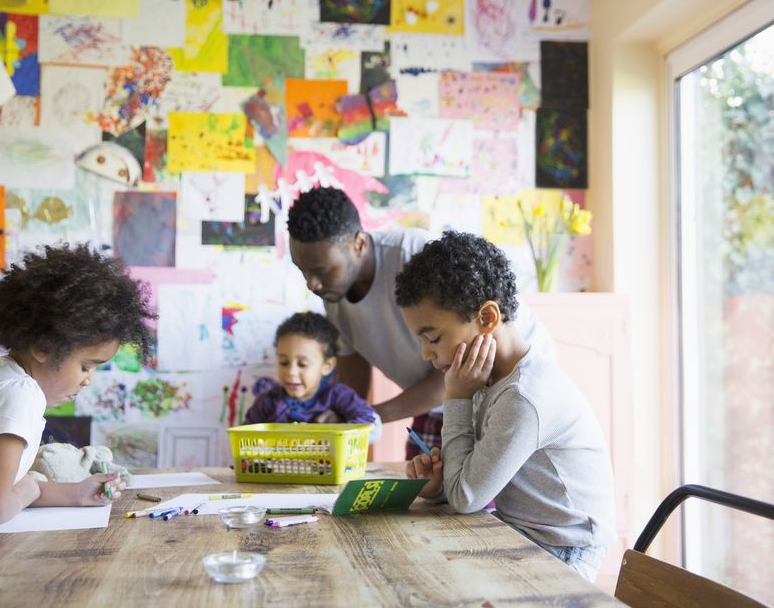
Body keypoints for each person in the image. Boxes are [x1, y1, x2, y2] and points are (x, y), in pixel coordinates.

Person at [396, 231, 615, 584]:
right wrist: (438, 486)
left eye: (433, 338)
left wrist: (455, 400)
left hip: (563, 551)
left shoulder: (524, 395)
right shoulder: (483, 378)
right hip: (519, 534)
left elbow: (467, 497)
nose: (426, 354)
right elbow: (463, 486)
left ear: (487, 318)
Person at [286, 187, 552, 459]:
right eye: (302, 271)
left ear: (359, 243)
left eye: (323, 271)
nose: (311, 284)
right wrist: (348, 416)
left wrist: (371, 416)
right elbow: (354, 377)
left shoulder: (414, 257)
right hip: (444, 398)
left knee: (479, 493)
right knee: (424, 488)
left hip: (496, 391)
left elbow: (462, 366)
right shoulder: (333, 292)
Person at [0, 244, 155, 534]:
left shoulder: (2, 380)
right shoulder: (18, 394)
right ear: (44, 347)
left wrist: (77, 492)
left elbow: (0, 494)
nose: (88, 380)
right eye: (86, 367)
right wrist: (29, 487)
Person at [244, 312, 380, 440]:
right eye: (284, 362)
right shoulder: (268, 402)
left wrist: (336, 433)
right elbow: (245, 436)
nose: (291, 372)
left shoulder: (338, 396)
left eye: (302, 364)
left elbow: (369, 422)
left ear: (327, 366)